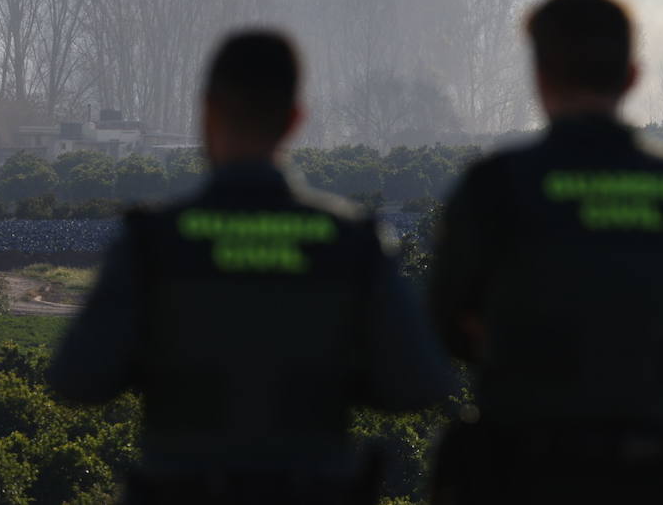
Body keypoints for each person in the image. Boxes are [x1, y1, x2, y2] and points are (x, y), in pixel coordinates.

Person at [49, 30, 451, 504]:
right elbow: (420, 383)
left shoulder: (154, 241)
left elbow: (76, 379)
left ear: (207, 111)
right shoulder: (352, 241)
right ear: (295, 119)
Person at [427, 0, 663, 504]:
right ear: (632, 76)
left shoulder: (496, 182)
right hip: (651, 473)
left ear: (539, 78)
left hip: (520, 472)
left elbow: (448, 325)